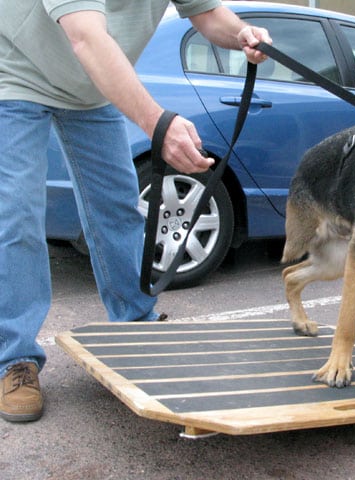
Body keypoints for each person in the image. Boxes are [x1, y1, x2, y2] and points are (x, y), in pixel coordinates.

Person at [0, 0, 271, 423]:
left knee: (119, 208)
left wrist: (240, 34)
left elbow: (208, 13)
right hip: (16, 72)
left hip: (90, 88)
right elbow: (86, 36)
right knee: (17, 215)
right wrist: (157, 124)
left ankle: (136, 325)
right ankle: (14, 360)